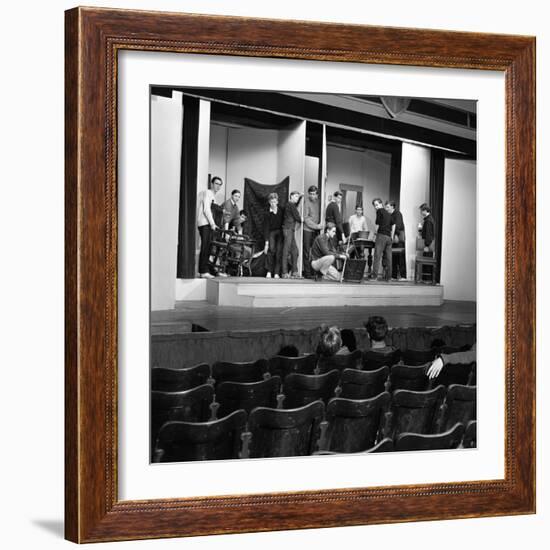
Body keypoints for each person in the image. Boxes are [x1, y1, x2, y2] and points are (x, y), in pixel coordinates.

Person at [196, 176, 224, 279]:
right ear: (212, 184)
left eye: (220, 184)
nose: (218, 186)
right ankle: (203, 271)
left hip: (208, 224)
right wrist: (212, 224)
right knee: (205, 247)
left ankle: (208, 270)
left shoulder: (213, 196)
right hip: (205, 224)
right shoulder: (208, 193)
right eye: (216, 184)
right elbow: (206, 210)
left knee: (208, 248)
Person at [303, 186, 323, 279]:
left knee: (315, 252)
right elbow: (305, 218)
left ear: (317, 194)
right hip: (307, 230)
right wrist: (316, 226)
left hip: (316, 231)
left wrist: (320, 226)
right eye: (310, 194)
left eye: (314, 194)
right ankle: (307, 273)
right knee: (307, 252)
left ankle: (314, 272)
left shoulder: (319, 202)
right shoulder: (306, 202)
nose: (312, 196)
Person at [370, 198, 393, 281]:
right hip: (389, 237)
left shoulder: (379, 211)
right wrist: (392, 236)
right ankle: (389, 277)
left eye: (376, 205)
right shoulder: (388, 213)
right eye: (374, 206)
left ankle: (374, 276)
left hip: (381, 236)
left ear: (381, 204)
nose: (376, 207)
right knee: (388, 258)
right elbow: (393, 225)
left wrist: (374, 236)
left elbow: (377, 224)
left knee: (377, 256)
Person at [282, 191, 303, 278]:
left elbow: (295, 212)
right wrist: (301, 219)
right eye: (295, 196)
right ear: (291, 196)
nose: (297, 198)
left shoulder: (290, 205)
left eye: (298, 197)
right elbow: (297, 217)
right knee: (286, 251)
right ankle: (284, 272)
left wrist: (301, 197)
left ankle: (294, 272)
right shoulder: (291, 204)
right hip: (288, 229)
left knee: (295, 251)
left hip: (290, 229)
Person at [263, 192, 284, 278]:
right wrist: (266, 243)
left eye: (275, 202)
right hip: (271, 232)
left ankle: (276, 273)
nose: (273, 204)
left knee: (279, 252)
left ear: (277, 202)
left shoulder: (281, 210)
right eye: (271, 202)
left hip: (280, 232)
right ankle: (269, 271)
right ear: (269, 202)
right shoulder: (267, 213)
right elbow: (266, 228)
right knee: (271, 251)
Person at [385, 201, 406, 280]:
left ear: (392, 207)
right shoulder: (389, 215)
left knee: (400, 257)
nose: (386, 209)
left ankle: (403, 276)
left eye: (387, 207)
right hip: (392, 237)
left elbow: (398, 225)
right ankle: (393, 275)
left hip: (398, 238)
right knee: (393, 257)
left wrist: (395, 235)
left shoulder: (397, 214)